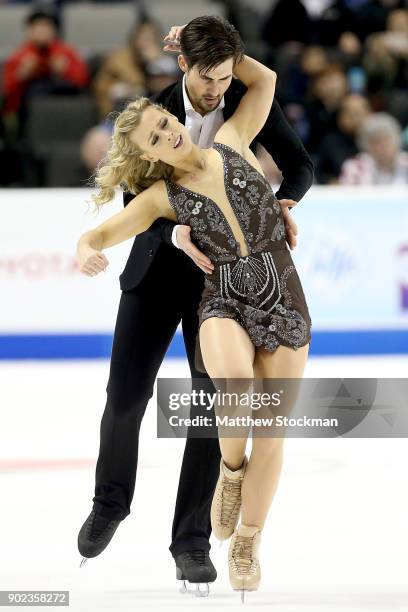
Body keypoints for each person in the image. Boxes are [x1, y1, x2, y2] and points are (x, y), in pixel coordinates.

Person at [76, 15, 314, 597]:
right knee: (126, 394)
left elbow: (299, 164)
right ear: (183, 67)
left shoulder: (236, 109)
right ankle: (111, 503)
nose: (216, 90)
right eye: (208, 78)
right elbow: (136, 209)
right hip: (160, 267)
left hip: (231, 283)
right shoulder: (150, 118)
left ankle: (192, 542)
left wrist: (274, 203)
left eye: (225, 76)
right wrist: (176, 233)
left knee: (216, 402)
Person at [2, 7, 89, 135]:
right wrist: (21, 75)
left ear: (54, 31)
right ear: (29, 31)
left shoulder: (66, 53)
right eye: (37, 27)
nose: (42, 32)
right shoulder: (19, 56)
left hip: (63, 110)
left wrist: (66, 71)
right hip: (27, 115)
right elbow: (7, 92)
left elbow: (83, 82)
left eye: (46, 27)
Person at [339, 112, 408, 184]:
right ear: (365, 145)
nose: (381, 147)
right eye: (375, 142)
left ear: (396, 140)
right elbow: (347, 193)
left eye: (386, 141)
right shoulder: (354, 167)